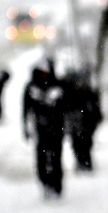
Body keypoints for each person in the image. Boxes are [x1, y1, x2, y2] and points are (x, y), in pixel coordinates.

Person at [22, 58, 67, 198]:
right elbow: (25, 109)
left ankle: (57, 185)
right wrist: (25, 127)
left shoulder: (59, 86)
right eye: (41, 72)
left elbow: (66, 106)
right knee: (41, 158)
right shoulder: (31, 88)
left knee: (56, 158)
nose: (44, 75)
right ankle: (45, 183)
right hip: (40, 129)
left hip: (57, 128)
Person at [63, 71, 103, 172]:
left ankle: (86, 162)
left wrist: (95, 120)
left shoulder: (89, 94)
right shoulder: (70, 94)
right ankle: (80, 162)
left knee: (86, 144)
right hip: (75, 125)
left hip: (87, 125)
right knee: (77, 145)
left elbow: (95, 109)